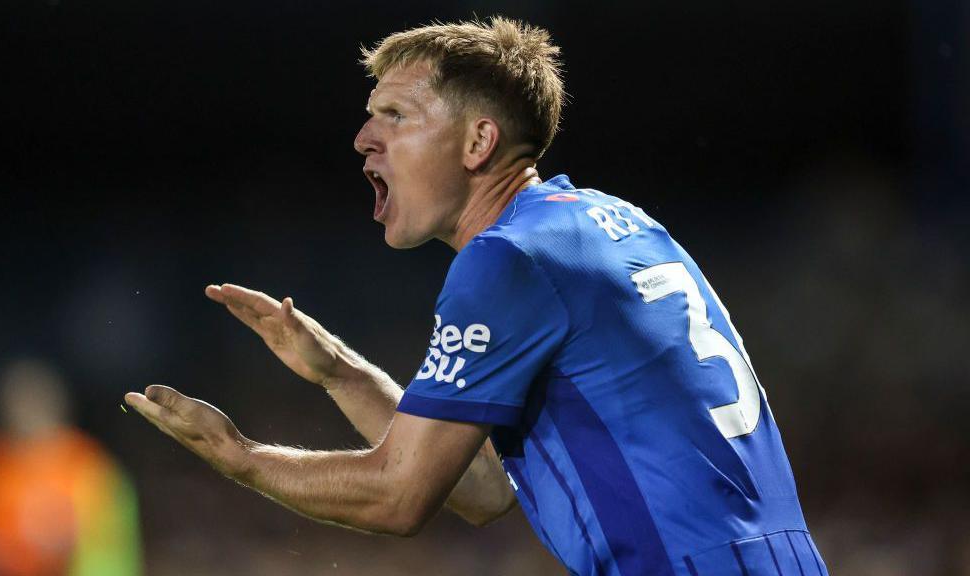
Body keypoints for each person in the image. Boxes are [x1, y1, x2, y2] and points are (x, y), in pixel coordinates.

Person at [125, 17, 828, 575]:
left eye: (396, 115)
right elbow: (483, 491)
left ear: (478, 142)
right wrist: (336, 372)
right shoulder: (608, 223)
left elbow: (398, 496)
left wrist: (238, 457)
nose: (363, 138)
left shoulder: (508, 259)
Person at [0, 358, 142, 576]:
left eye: (33, 403)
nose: (24, 412)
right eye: (16, 404)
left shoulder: (90, 467)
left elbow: (109, 552)